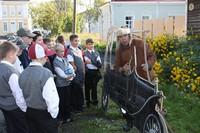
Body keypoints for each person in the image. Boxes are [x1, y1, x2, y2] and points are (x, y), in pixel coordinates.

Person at [113, 27, 156, 132]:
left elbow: (152, 56)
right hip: (132, 81)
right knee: (127, 104)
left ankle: (152, 122)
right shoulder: (119, 50)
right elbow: (116, 68)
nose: (123, 39)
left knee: (150, 102)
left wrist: (148, 65)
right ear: (118, 39)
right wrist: (123, 68)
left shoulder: (140, 44)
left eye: (125, 36)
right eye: (120, 37)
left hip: (146, 79)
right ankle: (129, 121)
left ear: (129, 36)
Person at [18, 42, 59, 133]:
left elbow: (20, 96)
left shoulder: (23, 73)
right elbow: (51, 97)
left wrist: (25, 109)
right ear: (41, 57)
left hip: (30, 111)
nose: (47, 58)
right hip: (44, 113)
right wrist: (54, 114)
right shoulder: (45, 73)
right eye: (45, 56)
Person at [0, 41, 30, 133]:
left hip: (3, 105)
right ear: (10, 54)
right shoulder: (11, 72)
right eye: (16, 55)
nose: (17, 57)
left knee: (11, 128)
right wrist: (25, 109)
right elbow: (18, 93)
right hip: (15, 107)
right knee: (22, 129)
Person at [53, 43, 75, 124]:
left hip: (67, 84)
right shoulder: (55, 62)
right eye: (60, 51)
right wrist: (71, 75)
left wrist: (71, 75)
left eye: (63, 51)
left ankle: (68, 116)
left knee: (68, 100)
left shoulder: (65, 59)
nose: (62, 53)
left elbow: (71, 68)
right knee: (62, 101)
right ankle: (62, 117)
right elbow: (62, 75)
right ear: (56, 52)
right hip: (61, 85)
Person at [66, 34, 85, 113]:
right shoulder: (70, 51)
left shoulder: (79, 50)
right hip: (75, 73)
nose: (77, 42)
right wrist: (74, 67)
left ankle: (80, 105)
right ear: (71, 41)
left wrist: (83, 70)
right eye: (75, 41)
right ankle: (75, 107)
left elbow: (82, 60)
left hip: (81, 72)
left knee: (80, 89)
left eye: (78, 41)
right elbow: (71, 62)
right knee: (75, 90)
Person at [84, 38, 102, 107]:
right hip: (89, 72)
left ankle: (95, 101)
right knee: (88, 87)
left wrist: (92, 62)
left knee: (94, 87)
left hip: (95, 72)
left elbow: (99, 64)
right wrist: (95, 63)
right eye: (89, 44)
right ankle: (88, 101)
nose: (91, 45)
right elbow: (87, 62)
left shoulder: (96, 53)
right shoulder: (85, 53)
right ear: (86, 45)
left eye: (92, 44)